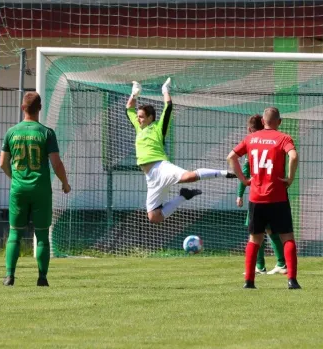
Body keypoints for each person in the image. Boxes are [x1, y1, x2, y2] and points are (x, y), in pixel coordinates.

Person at [126, 78, 236, 224]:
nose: (138, 119)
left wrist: (165, 90)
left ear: (150, 117)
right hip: (151, 178)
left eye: (141, 117)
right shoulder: (138, 127)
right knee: (154, 217)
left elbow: (168, 107)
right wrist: (134, 94)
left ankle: (224, 173)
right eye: (138, 117)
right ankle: (184, 196)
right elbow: (129, 109)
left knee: (189, 177)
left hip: (160, 167)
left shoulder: (158, 127)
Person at [0, 92, 71, 287]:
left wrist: (15, 178)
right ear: (40, 108)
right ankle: (42, 277)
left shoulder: (11, 132)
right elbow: (56, 163)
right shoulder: (46, 133)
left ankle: (9, 276)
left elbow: (2, 163)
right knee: (41, 234)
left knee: (15, 233)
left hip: (18, 189)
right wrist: (65, 183)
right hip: (40, 189)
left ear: (23, 108)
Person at [228, 107, 300, 289]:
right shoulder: (283, 138)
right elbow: (293, 155)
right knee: (287, 237)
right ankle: (291, 280)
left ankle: (249, 281)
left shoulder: (250, 139)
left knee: (254, 239)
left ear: (262, 122)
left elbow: (231, 157)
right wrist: (290, 178)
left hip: (256, 198)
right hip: (277, 197)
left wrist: (244, 180)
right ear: (279, 122)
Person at [237, 114, 287, 275]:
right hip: (275, 194)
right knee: (273, 231)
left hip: (258, 196)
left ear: (250, 129)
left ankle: (259, 266)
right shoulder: (275, 140)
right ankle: (281, 263)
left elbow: (244, 171)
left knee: (255, 233)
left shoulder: (252, 143)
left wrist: (240, 194)